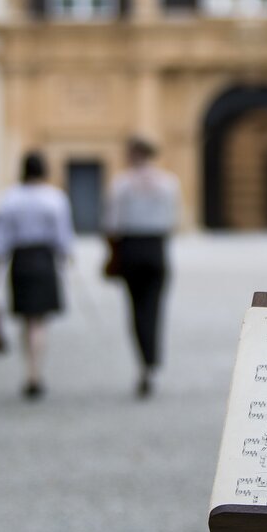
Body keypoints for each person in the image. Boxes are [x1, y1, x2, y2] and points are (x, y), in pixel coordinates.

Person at [0, 150, 74, 401]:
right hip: (44, 259)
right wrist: (67, 258)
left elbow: (0, 239)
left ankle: (29, 372)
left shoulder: (10, 198)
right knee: (40, 321)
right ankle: (36, 372)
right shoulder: (55, 198)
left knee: (27, 319)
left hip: (21, 260)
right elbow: (63, 236)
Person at [104, 136, 180, 398]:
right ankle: (152, 360)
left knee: (136, 308)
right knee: (154, 307)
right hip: (156, 247)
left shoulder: (122, 183)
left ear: (134, 154)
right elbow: (173, 219)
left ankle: (144, 363)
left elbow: (112, 223)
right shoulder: (168, 182)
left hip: (131, 247)